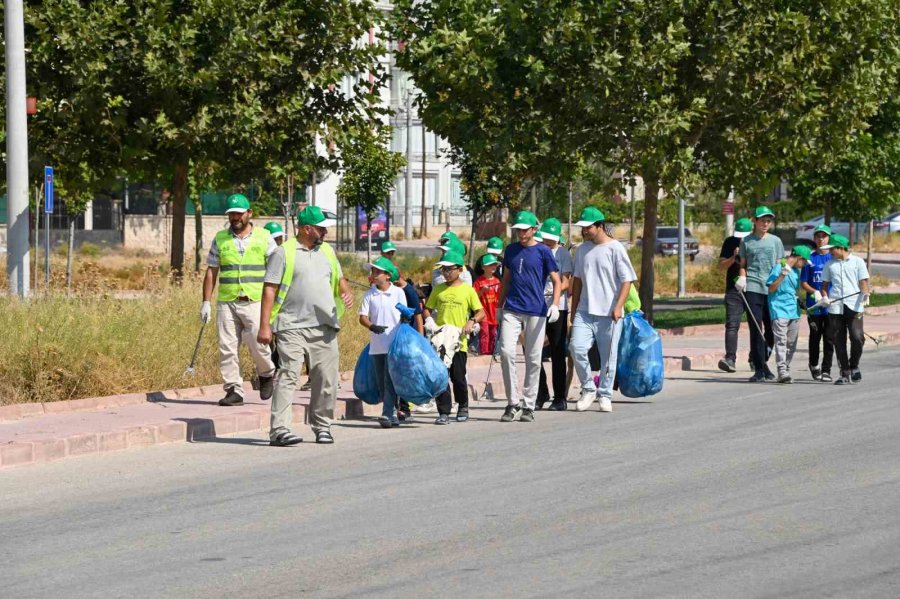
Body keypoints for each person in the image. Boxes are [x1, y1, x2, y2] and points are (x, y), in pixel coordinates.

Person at [257, 206, 353, 446]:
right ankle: (280, 430)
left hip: (325, 326)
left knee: (326, 379)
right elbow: (269, 289)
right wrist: (264, 326)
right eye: (321, 228)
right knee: (288, 375)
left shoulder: (328, 251)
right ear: (306, 229)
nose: (325, 232)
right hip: (291, 325)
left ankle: (322, 426)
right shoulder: (283, 253)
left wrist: (345, 291)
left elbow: (340, 278)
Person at [200, 193, 277, 406]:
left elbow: (277, 269)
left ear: (249, 213)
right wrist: (206, 302)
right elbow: (212, 271)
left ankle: (266, 373)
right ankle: (233, 390)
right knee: (227, 347)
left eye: (239, 213)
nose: (235, 217)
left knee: (258, 343)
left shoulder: (264, 237)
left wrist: (277, 299)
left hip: (255, 301)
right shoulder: (220, 238)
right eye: (231, 214)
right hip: (227, 301)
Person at [569, 206, 637, 413]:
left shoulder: (615, 248)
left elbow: (627, 280)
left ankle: (605, 394)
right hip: (584, 311)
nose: (584, 231)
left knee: (608, 357)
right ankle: (588, 388)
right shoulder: (582, 250)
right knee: (576, 348)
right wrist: (574, 309)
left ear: (599, 226)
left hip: (610, 313)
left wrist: (618, 306)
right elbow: (577, 281)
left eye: (588, 227)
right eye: (582, 228)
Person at [497, 210, 561, 423]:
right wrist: (499, 306)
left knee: (533, 358)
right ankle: (512, 402)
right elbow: (506, 279)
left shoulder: (544, 251)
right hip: (512, 308)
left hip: (536, 310)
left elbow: (557, 280)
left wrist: (555, 305)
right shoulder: (511, 250)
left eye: (525, 230)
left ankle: (528, 405)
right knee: (506, 352)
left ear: (534, 229)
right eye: (518, 230)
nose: (521, 234)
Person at [423, 250, 485, 424]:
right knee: (441, 376)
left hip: (458, 341)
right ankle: (443, 411)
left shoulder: (468, 290)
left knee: (458, 377)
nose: (446, 273)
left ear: (459, 269)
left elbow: (480, 312)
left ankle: (463, 405)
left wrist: (472, 321)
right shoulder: (438, 289)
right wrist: (429, 320)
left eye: (449, 269)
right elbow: (427, 308)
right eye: (443, 269)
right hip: (441, 340)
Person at [735, 206, 783, 382]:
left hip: (771, 289)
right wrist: (742, 278)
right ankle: (759, 369)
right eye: (762, 220)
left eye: (768, 221)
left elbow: (779, 264)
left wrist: (781, 281)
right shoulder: (746, 241)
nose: (765, 223)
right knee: (756, 328)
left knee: (771, 330)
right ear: (754, 221)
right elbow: (743, 264)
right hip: (753, 287)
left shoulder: (776, 241)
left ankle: (763, 362)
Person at [358, 257, 407, 428]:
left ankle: (387, 413)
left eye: (377, 271)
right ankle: (393, 411)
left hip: (394, 345)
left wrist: (406, 317)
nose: (373, 274)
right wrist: (372, 326)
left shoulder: (398, 293)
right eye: (373, 271)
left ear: (388, 275)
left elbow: (404, 313)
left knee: (389, 380)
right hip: (377, 346)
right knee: (381, 383)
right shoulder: (369, 294)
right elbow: (362, 317)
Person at [820, 234, 871, 386]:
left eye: (832, 249)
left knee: (857, 337)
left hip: (854, 306)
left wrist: (865, 293)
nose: (830, 252)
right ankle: (844, 372)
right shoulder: (829, 264)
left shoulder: (857, 262)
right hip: (835, 307)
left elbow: (863, 282)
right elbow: (824, 286)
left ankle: (854, 365)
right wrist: (824, 297)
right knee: (838, 340)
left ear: (841, 248)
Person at [536, 217, 573, 411]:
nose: (547, 241)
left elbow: (566, 281)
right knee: (533, 351)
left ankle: (560, 397)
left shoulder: (563, 254)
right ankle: (541, 392)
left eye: (551, 237)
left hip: (557, 307)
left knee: (558, 353)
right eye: (545, 237)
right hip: (536, 305)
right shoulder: (537, 250)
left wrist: (554, 295)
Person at [766, 246, 811, 383]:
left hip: (794, 311)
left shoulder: (796, 271)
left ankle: (786, 367)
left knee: (791, 344)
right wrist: (782, 275)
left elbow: (793, 291)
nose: (804, 265)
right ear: (799, 258)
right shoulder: (778, 268)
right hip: (779, 310)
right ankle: (782, 371)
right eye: (804, 262)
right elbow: (771, 288)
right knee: (781, 341)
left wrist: (800, 301)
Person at [717, 217, 753, 373]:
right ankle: (730, 358)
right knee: (732, 324)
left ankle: (755, 358)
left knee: (756, 325)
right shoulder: (730, 242)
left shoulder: (756, 242)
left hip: (754, 288)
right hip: (734, 289)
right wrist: (733, 257)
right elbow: (721, 266)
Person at [800, 224, 835, 381]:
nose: (821, 239)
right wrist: (814, 292)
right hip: (814, 306)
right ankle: (814, 365)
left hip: (830, 305)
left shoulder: (833, 258)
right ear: (814, 239)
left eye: (824, 236)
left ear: (829, 238)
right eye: (818, 236)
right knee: (815, 336)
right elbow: (803, 282)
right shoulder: (810, 259)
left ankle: (826, 369)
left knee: (829, 337)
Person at [473, 254, 501, 356]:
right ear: (483, 267)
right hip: (483, 312)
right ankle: (484, 352)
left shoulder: (497, 281)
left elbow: (500, 297)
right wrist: (482, 291)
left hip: (494, 312)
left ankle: (491, 352)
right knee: (484, 332)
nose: (493, 267)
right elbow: (473, 297)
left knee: (493, 333)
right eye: (490, 265)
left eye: (495, 264)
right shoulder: (478, 281)